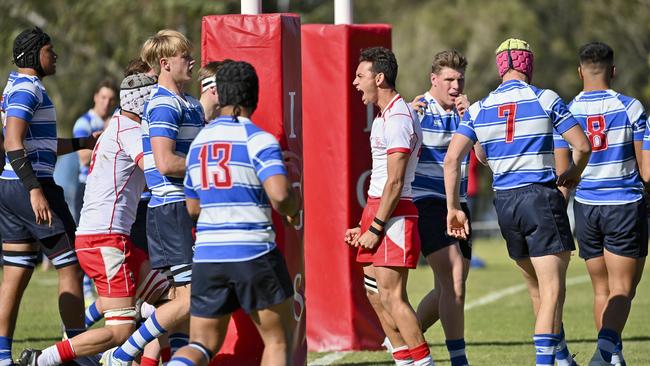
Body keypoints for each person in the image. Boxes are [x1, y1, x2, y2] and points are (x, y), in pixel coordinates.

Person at [444, 38, 590, 366]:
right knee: (553, 290)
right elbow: (582, 146)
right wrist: (573, 173)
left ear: (500, 68)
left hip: (505, 204)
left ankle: (563, 359)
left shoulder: (480, 107)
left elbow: (457, 159)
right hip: (539, 197)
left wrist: (453, 207)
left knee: (538, 288)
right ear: (528, 64)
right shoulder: (545, 98)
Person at [16, 73, 169, 366]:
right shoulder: (130, 131)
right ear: (145, 102)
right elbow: (156, 169)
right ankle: (42, 360)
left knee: (169, 302)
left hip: (109, 237)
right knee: (121, 330)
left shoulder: (118, 126)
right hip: (106, 240)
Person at [166, 60, 300, 366]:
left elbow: (193, 208)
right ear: (254, 97)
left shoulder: (199, 144)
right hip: (253, 253)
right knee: (278, 341)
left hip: (209, 256)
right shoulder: (259, 139)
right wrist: (295, 204)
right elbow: (280, 196)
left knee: (201, 344)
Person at [102, 29, 204, 366]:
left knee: (179, 303)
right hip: (171, 210)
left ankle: (170, 358)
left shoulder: (190, 103)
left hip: (185, 208)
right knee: (191, 300)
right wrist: (210, 163)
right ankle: (123, 353)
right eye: (184, 56)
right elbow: (165, 163)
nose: (192, 60)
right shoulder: (162, 104)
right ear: (165, 64)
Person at [0, 27, 95, 366]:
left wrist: (83, 143)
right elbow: (12, 141)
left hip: (12, 186)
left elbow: (34, 144)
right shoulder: (28, 88)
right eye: (49, 51)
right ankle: (78, 354)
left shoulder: (16, 86)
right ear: (33, 54)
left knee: (16, 271)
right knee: (72, 266)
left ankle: (1, 357)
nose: (55, 56)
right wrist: (36, 190)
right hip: (31, 186)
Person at [554, 42, 647, 366]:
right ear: (614, 71)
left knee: (601, 289)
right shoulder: (631, 108)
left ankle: (614, 357)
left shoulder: (566, 110)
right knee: (623, 289)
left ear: (580, 71)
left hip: (585, 206)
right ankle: (604, 354)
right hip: (623, 204)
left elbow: (563, 173)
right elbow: (646, 171)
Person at [344, 47, 432, 366]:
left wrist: (376, 227)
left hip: (394, 215)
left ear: (379, 78)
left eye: (360, 76)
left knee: (393, 297)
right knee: (374, 295)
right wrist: (365, 225)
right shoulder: (383, 115)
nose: (355, 82)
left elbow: (395, 183)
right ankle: (404, 360)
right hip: (379, 210)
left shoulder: (398, 117)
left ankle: (424, 362)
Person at [411, 49, 478, 366]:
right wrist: (408, 118)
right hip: (427, 202)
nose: (456, 86)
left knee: (451, 286)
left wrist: (472, 120)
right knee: (453, 282)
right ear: (434, 80)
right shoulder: (418, 111)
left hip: (459, 204)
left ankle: (404, 336)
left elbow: (485, 157)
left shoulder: (467, 112)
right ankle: (459, 359)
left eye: (460, 79)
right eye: (449, 79)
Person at [72, 79, 118, 223]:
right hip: (87, 186)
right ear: (95, 97)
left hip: (108, 189)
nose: (106, 103)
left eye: (111, 99)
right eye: (103, 97)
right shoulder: (84, 123)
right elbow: (84, 157)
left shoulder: (115, 121)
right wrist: (108, 132)